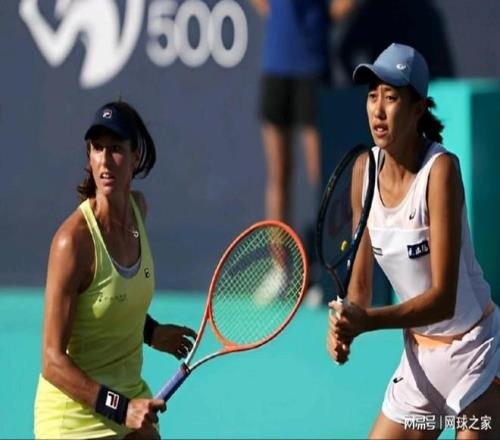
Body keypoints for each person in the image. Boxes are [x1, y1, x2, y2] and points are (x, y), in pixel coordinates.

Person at [327, 43, 500, 439]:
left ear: (418, 108)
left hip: (476, 356)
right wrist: (345, 321)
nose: (378, 109)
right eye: (372, 96)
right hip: (420, 364)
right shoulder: (363, 172)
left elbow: (443, 299)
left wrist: (368, 322)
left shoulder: (440, 171)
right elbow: (360, 285)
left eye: (391, 97)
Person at [34, 100, 197, 439]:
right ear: (89, 155)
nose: (105, 161)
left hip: (129, 395)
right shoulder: (72, 243)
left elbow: (109, 300)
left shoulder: (139, 211)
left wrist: (150, 332)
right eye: (97, 148)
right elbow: (51, 360)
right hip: (74, 419)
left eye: (116, 149)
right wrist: (122, 409)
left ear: (135, 156)